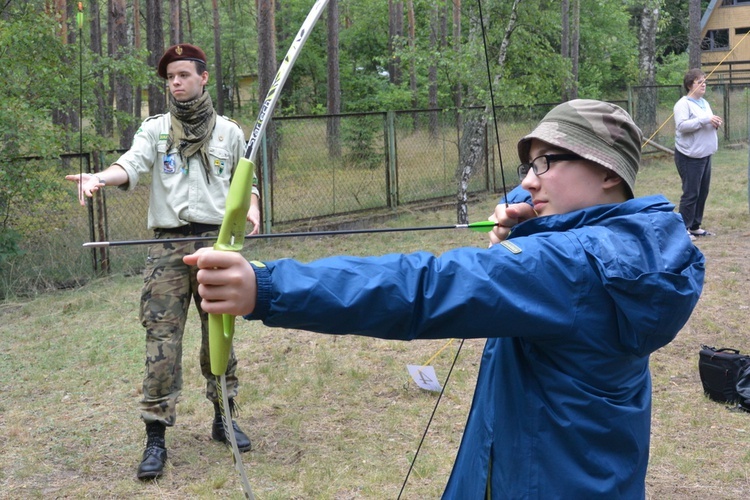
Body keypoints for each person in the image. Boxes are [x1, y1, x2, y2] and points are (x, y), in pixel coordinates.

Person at [184, 100, 705, 498]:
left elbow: (426, 287)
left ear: (607, 172)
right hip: (591, 471)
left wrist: (268, 288)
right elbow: (551, 243)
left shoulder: (568, 267)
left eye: (544, 163)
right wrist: (530, 226)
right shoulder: (635, 246)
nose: (527, 181)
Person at [65, 43, 260, 481]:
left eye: (184, 75)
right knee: (161, 341)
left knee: (219, 337)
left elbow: (244, 180)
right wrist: (100, 176)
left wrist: (252, 207)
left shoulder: (229, 132)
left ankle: (224, 418)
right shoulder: (154, 130)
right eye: (170, 77)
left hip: (217, 243)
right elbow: (131, 165)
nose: (175, 82)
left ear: (203, 77)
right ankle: (156, 436)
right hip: (168, 248)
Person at [673, 68, 722, 242]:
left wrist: (714, 123)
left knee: (702, 191)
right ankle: (682, 228)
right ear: (689, 85)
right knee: (691, 192)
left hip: (705, 154)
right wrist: (705, 120)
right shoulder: (683, 104)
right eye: (699, 82)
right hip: (689, 156)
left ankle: (695, 226)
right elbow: (682, 126)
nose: (703, 85)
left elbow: (704, 122)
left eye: (705, 82)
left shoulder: (704, 103)